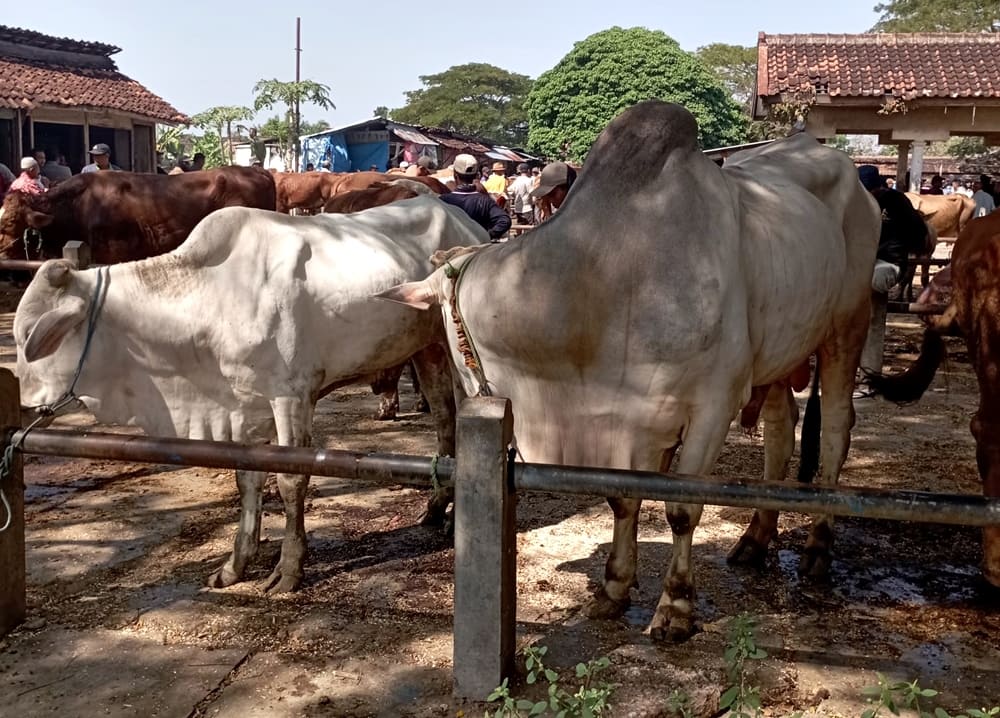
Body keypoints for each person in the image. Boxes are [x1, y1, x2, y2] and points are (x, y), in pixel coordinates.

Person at [856, 164, 928, 392]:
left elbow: (919, 235)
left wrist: (899, 247)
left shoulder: (896, 202)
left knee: (873, 313)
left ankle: (869, 378)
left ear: (878, 188)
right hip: (859, 265)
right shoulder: (854, 203)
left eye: (868, 190)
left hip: (887, 264)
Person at [440, 153, 511, 241]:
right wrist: (486, 236)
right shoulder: (485, 201)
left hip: (452, 252)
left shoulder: (443, 201)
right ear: (476, 176)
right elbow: (505, 221)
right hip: (478, 252)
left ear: (455, 176)